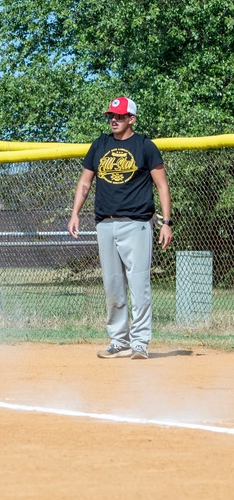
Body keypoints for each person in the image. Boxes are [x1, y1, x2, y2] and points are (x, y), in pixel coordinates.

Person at [67, 96, 173, 360]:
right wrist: (75, 212)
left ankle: (139, 342)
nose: (114, 120)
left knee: (139, 284)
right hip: (105, 223)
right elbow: (85, 181)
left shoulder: (145, 146)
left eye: (120, 116)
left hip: (136, 223)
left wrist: (167, 222)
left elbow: (161, 185)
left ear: (131, 119)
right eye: (111, 116)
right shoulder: (100, 145)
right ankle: (118, 340)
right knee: (112, 286)